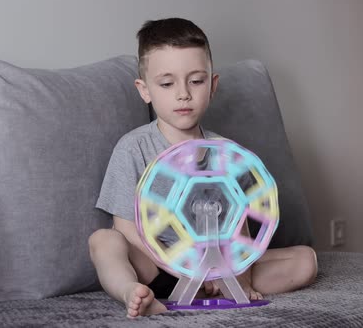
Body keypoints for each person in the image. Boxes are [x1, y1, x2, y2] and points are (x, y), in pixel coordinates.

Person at [89, 17, 318, 318]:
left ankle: (214, 287)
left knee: (307, 261)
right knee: (104, 241)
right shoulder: (134, 148)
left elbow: (241, 225)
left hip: (218, 268)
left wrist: (237, 276)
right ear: (144, 90)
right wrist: (179, 268)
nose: (183, 93)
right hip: (156, 269)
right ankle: (131, 292)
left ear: (212, 85)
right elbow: (127, 230)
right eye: (167, 83)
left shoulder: (224, 152)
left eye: (196, 81)